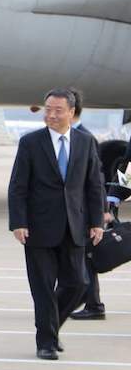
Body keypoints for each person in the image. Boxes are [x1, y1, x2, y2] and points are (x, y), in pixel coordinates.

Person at [8, 88, 104, 360]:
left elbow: (94, 185)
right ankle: (46, 343)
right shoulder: (30, 142)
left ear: (72, 113)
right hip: (38, 228)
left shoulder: (86, 142)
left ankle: (51, 327)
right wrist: (19, 222)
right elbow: (18, 186)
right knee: (43, 287)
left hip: (75, 226)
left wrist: (97, 220)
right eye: (48, 109)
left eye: (58, 110)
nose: (51, 114)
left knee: (78, 283)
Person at [67, 89, 112, 320]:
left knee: (85, 259)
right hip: (74, 211)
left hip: (83, 211)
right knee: (80, 258)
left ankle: (93, 304)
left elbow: (97, 178)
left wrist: (103, 209)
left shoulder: (84, 138)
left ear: (72, 111)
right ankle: (86, 301)